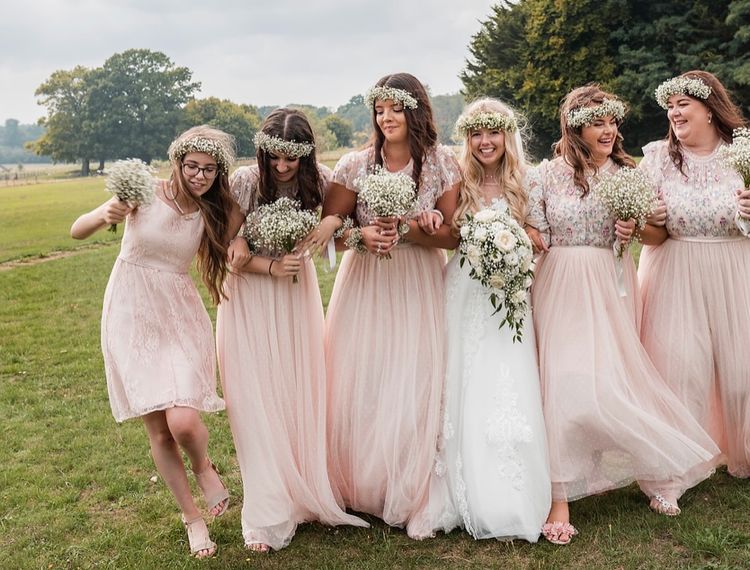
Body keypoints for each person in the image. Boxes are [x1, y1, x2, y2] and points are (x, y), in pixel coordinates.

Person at [525, 85, 721, 545]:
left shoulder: (629, 174)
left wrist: (635, 226)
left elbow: (657, 233)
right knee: (562, 381)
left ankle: (651, 468)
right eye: (598, 122)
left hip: (610, 284)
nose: (609, 130)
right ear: (575, 127)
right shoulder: (545, 175)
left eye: (612, 121)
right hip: (560, 283)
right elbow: (535, 227)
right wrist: (531, 233)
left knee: (611, 380)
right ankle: (559, 496)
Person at [70, 125, 244, 558]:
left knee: (183, 421)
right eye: (193, 166)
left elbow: (240, 239)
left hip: (178, 314)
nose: (200, 175)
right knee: (160, 432)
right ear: (178, 163)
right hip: (130, 314)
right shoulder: (144, 191)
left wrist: (243, 238)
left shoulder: (212, 209)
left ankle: (203, 465)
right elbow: (77, 230)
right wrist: (106, 213)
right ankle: (192, 518)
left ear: (218, 172)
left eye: (209, 169)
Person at [216, 108, 368, 552]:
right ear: (263, 153)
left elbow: (347, 230)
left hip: (297, 298)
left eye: (291, 158)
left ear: (305, 155)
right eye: (275, 158)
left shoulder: (319, 180)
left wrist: (331, 223)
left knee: (296, 394)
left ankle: (303, 491)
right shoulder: (246, 181)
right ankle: (266, 513)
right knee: (255, 401)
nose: (282, 167)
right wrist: (251, 251)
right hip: (249, 297)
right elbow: (225, 247)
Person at [322, 72, 461, 539]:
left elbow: (453, 236)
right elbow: (331, 231)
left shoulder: (441, 163)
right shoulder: (355, 165)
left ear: (415, 110)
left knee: (415, 377)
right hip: (366, 282)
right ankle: (360, 482)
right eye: (380, 110)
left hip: (417, 280)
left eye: (396, 108)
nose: (386, 118)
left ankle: (407, 484)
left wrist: (416, 227)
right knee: (363, 376)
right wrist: (360, 235)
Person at [424, 98, 551, 541]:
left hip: (509, 295)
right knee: (462, 378)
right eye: (476, 134)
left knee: (507, 381)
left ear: (506, 136)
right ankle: (458, 487)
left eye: (492, 132)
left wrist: (526, 235)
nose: (484, 142)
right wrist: (435, 220)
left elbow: (537, 229)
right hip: (464, 292)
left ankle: (507, 494)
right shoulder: (456, 178)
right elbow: (444, 228)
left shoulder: (526, 180)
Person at [638, 70, 750, 477]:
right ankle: (677, 465)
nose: (674, 113)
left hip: (736, 273)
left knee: (741, 374)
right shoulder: (658, 159)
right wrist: (646, 220)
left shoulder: (743, 154)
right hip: (676, 275)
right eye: (670, 106)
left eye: (683, 104)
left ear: (709, 109)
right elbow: (649, 235)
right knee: (681, 369)